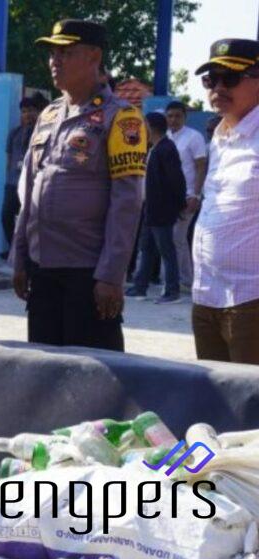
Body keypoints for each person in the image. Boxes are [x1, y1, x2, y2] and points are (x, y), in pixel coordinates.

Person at [11, 20, 146, 351]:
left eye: (66, 52)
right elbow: (27, 192)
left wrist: (111, 275)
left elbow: (126, 203)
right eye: (53, 53)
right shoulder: (48, 115)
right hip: (42, 271)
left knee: (94, 382)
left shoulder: (122, 117)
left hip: (87, 274)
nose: (55, 61)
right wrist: (20, 257)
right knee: (44, 376)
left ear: (94, 56)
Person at [191, 39, 259, 364]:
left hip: (251, 301)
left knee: (250, 409)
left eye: (230, 78)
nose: (218, 87)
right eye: (210, 79)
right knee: (214, 405)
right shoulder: (220, 137)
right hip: (207, 296)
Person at [125, 112, 186, 304]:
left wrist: (179, 205)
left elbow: (176, 180)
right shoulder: (155, 148)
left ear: (150, 127)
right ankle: (140, 287)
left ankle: (172, 291)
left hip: (161, 209)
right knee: (147, 248)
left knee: (166, 250)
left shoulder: (166, 149)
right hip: (149, 208)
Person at [165, 100, 208, 288]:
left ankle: (184, 280)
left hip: (188, 195)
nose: (173, 120)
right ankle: (173, 279)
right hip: (166, 197)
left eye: (177, 116)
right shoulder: (165, 136)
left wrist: (196, 195)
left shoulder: (194, 137)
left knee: (177, 238)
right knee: (167, 240)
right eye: (170, 116)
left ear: (185, 117)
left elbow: (201, 167)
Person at [1, 94, 48, 260]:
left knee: (28, 220)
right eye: (24, 111)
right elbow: (9, 156)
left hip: (32, 185)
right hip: (13, 183)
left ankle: (26, 254)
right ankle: (13, 250)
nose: (27, 114)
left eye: (31, 110)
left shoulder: (42, 133)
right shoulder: (14, 133)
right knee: (6, 216)